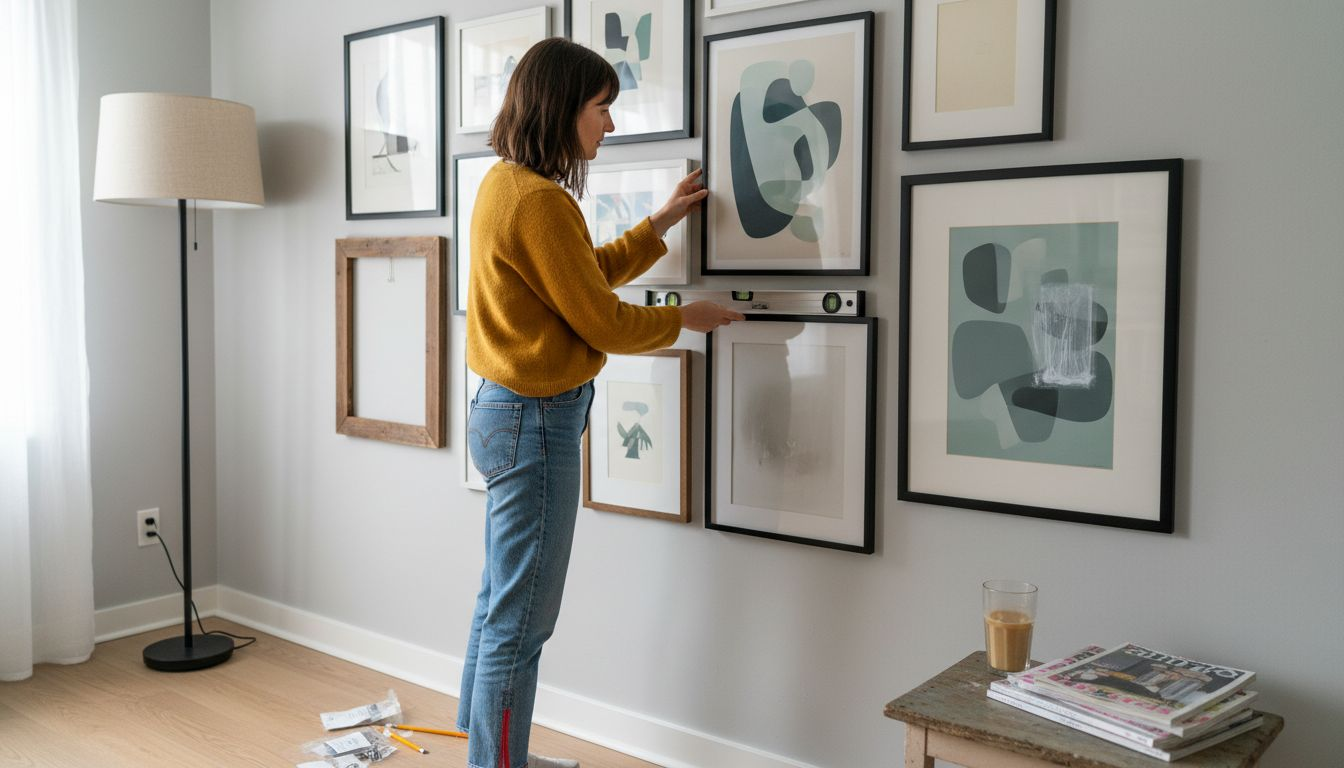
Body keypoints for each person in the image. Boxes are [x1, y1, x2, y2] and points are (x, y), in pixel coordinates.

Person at [457, 37, 743, 768]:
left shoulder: (505, 185)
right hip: (535, 421)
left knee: (500, 602)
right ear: (561, 108)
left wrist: (658, 225)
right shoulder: (540, 202)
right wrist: (683, 318)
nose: (610, 125)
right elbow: (603, 321)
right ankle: (496, 761)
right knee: (522, 622)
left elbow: (577, 280)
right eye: (601, 108)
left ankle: (488, 750)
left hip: (502, 411)